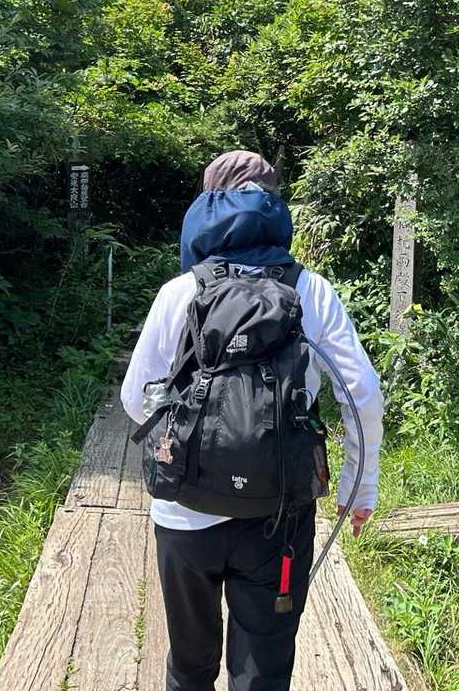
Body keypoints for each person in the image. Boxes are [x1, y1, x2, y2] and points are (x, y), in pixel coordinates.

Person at [121, 150, 384, 691]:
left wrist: (188, 442)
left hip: (185, 513)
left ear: (205, 209)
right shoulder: (310, 289)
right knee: (262, 672)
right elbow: (361, 393)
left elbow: (135, 397)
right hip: (278, 513)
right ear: (275, 209)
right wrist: (360, 488)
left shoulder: (180, 291)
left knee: (189, 666)